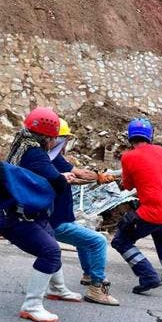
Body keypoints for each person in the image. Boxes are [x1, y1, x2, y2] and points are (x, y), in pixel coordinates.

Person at [0, 107, 82, 322]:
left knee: (51, 242)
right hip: (17, 218)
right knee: (50, 251)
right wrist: (65, 178)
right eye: (54, 138)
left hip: (27, 214)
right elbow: (56, 182)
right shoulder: (35, 154)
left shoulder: (22, 145)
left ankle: (58, 288)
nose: (55, 142)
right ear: (47, 137)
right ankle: (32, 305)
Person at [111, 118, 162, 294]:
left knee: (120, 240)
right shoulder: (161, 150)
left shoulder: (128, 157)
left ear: (130, 136)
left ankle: (148, 276)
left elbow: (127, 185)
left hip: (153, 209)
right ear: (150, 135)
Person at [50, 118, 119, 306]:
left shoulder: (49, 158)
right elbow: (79, 174)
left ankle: (89, 274)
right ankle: (97, 288)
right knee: (98, 241)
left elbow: (73, 179)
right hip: (56, 222)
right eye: (65, 139)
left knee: (85, 239)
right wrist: (98, 176)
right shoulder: (52, 158)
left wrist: (98, 180)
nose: (66, 145)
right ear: (57, 139)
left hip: (58, 219)